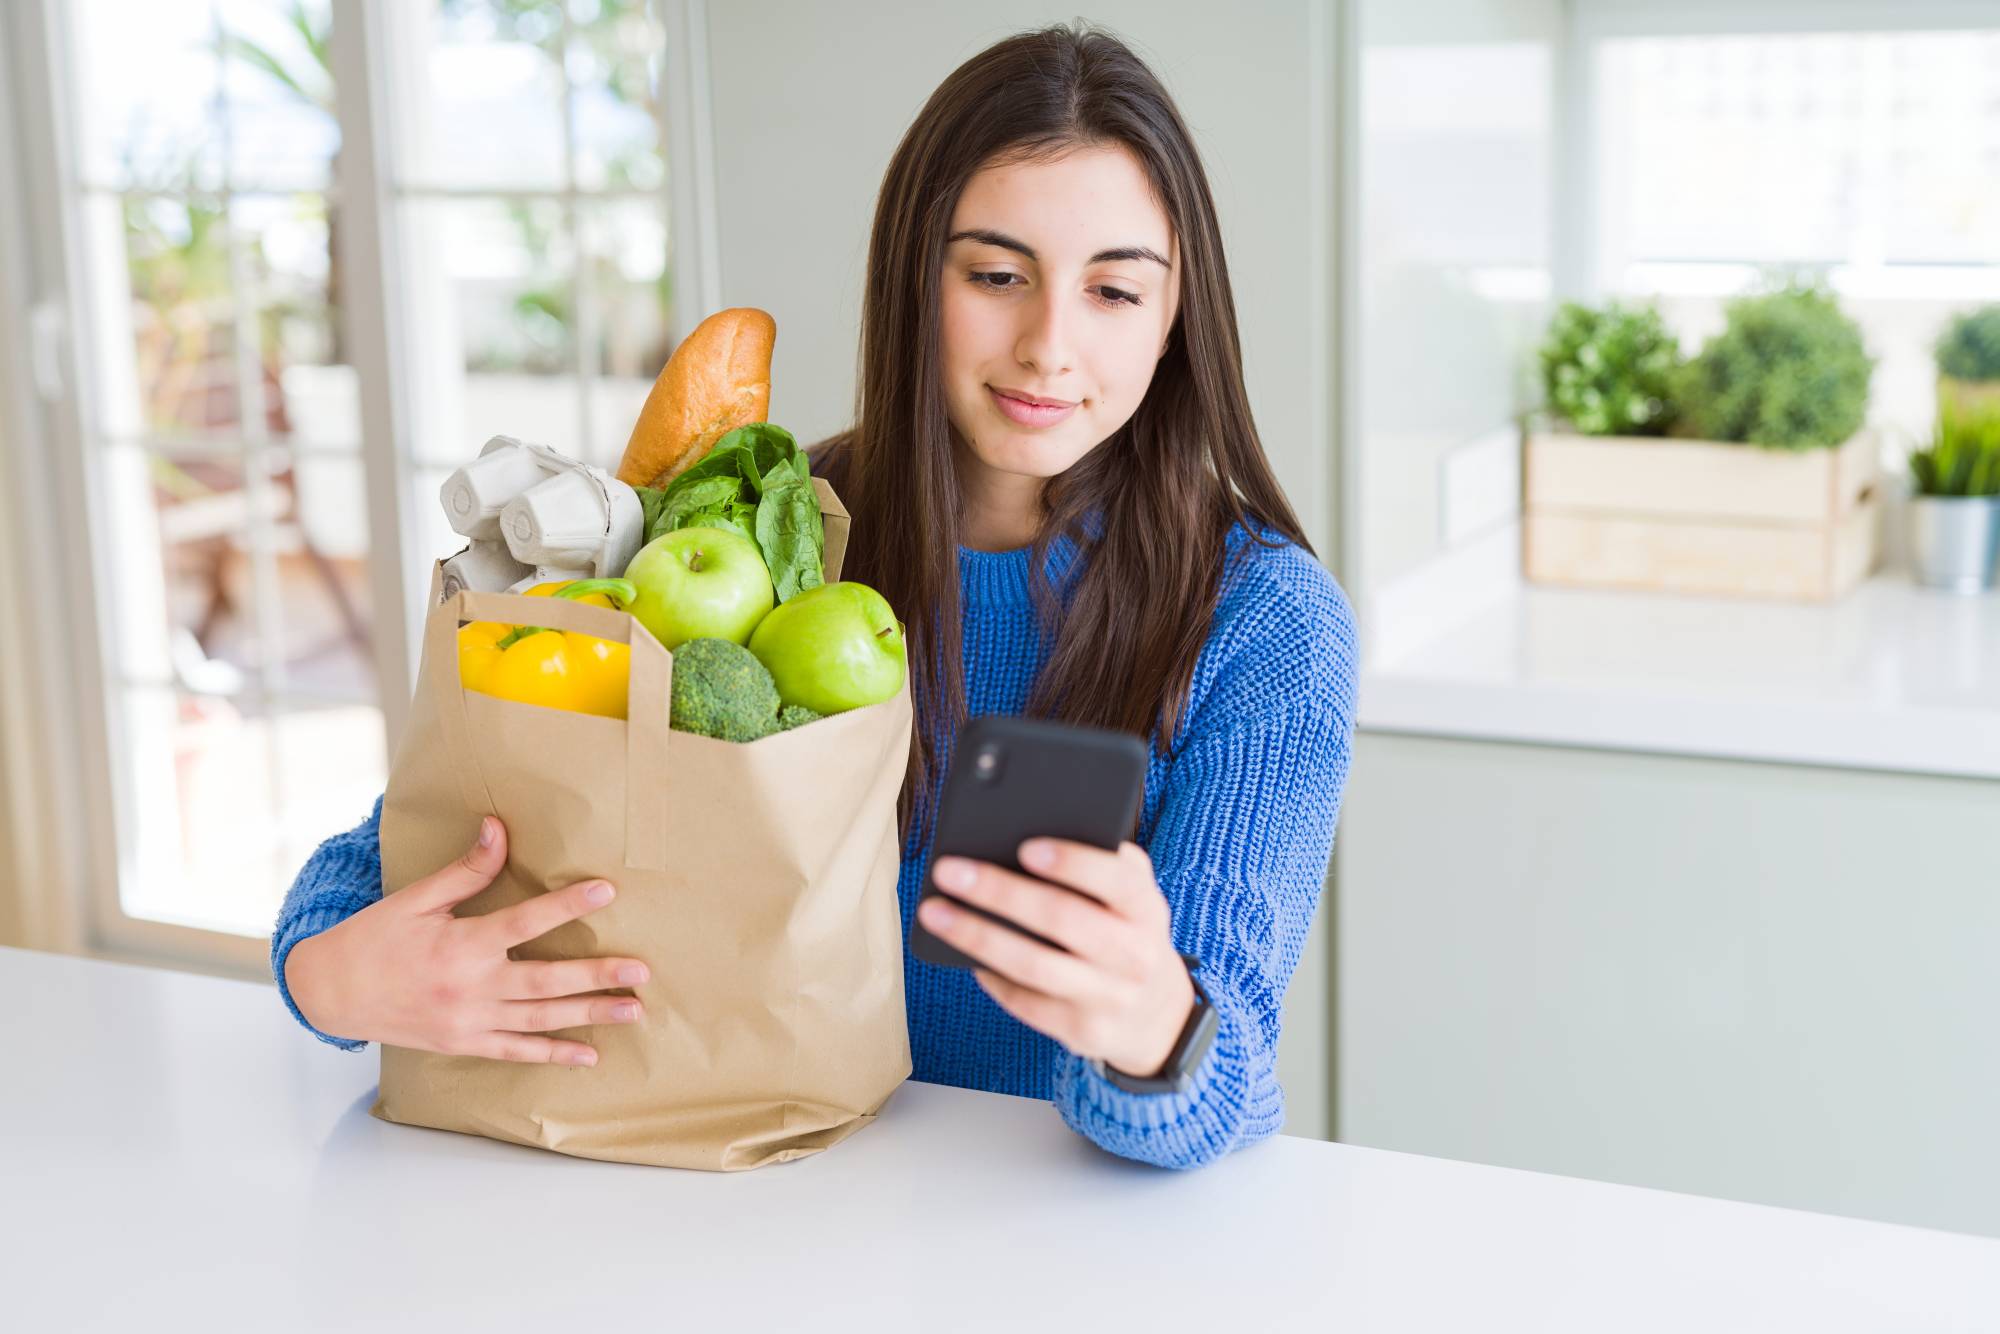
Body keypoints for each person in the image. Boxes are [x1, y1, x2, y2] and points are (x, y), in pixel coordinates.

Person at [274, 20, 1355, 1172]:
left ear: (1179, 314)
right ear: (913, 277)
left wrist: (1154, 1028)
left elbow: (1226, 1072)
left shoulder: (1263, 622)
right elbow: (395, 847)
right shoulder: (762, 524)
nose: (1048, 345)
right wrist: (330, 974)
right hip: (721, 1190)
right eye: (996, 275)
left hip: (1050, 1248)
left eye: (1113, 292)